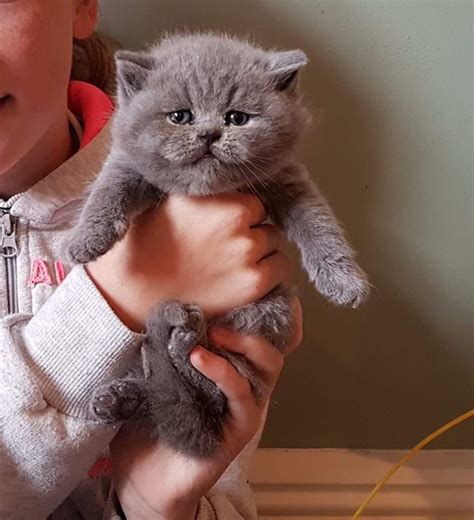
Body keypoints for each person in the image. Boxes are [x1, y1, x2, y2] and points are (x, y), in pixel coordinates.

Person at [0, 1, 303, 519]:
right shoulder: (179, 246)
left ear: (81, 6)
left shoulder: (208, 218)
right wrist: (116, 298)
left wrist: (153, 505)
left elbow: (219, 494)